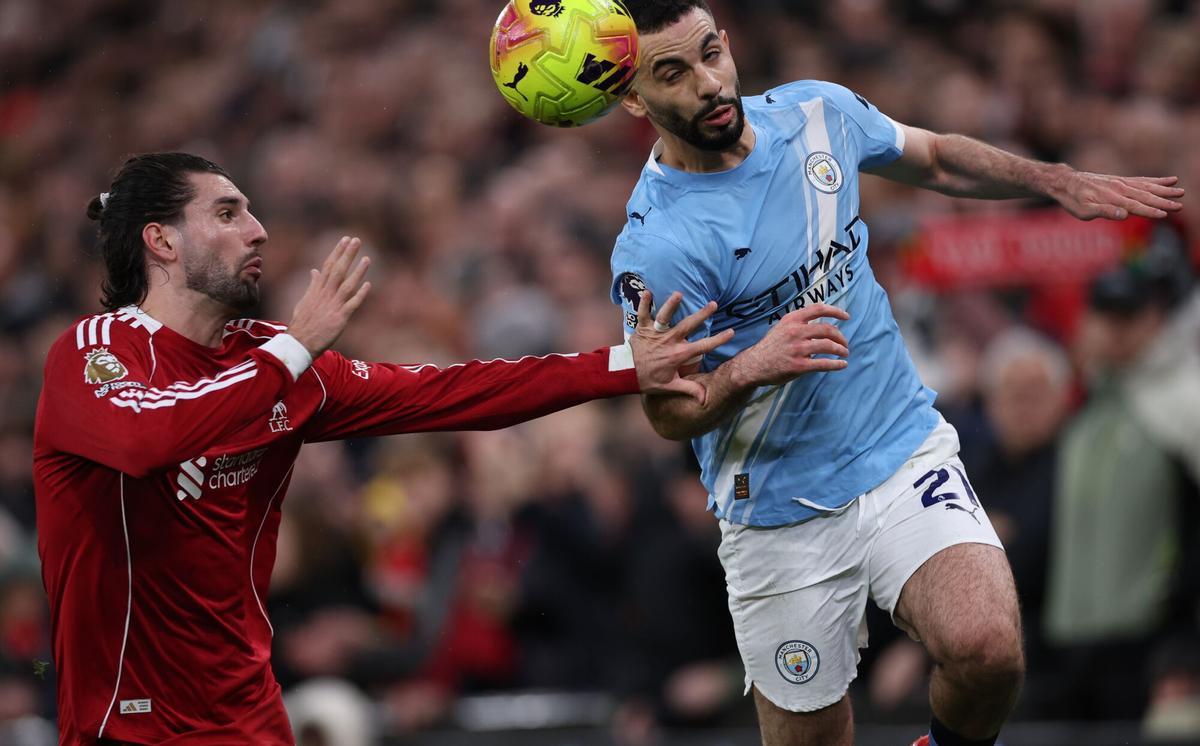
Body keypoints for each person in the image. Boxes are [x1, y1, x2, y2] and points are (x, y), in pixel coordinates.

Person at [32, 151, 826, 745]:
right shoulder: (96, 351)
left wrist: (624, 365)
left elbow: (452, 393)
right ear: (161, 242)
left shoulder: (276, 360)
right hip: (125, 720)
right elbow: (149, 438)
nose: (259, 229)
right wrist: (296, 347)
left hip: (247, 714)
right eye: (230, 212)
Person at [609, 3, 1186, 745]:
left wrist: (1055, 181)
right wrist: (753, 365)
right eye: (673, 73)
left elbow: (938, 157)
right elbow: (668, 414)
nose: (709, 83)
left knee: (987, 650)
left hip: (898, 448)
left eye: (712, 53)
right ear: (634, 98)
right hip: (778, 508)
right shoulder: (658, 247)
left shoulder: (816, 113)